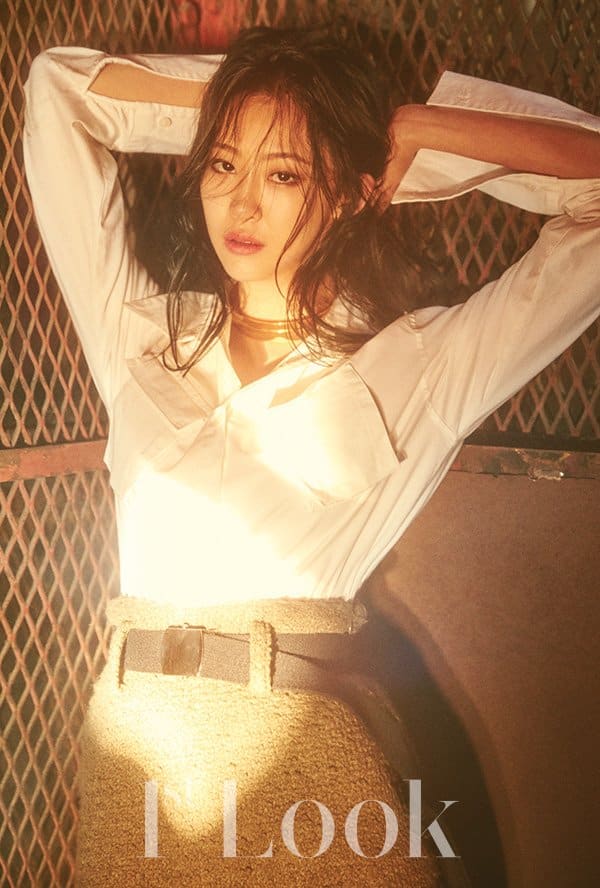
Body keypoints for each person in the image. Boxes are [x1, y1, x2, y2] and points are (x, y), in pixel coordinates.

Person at [23, 25, 599, 888]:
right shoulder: (139, 335)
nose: (242, 204)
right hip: (137, 777)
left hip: (312, 782)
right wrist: (269, 108)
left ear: (356, 193)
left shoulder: (419, 367)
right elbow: (60, 91)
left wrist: (407, 132)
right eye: (224, 163)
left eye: (285, 175)